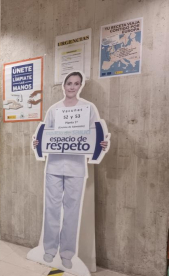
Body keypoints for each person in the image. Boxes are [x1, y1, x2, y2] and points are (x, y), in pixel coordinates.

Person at [33, 72, 108, 269]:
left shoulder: (88, 108)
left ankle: (66, 252)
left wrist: (101, 144)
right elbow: (45, 135)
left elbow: (94, 135)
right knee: (52, 209)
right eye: (69, 83)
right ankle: (49, 249)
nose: (72, 87)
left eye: (76, 83)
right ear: (64, 85)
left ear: (80, 85)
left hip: (76, 167)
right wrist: (37, 143)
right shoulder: (54, 110)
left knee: (72, 212)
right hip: (54, 166)